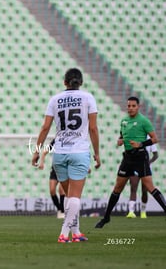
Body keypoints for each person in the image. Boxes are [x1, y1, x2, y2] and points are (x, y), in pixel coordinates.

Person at [32, 68, 100, 243]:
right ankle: (64, 234)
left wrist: (37, 151)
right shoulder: (88, 98)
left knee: (69, 196)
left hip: (59, 153)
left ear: (65, 82)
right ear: (81, 82)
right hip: (79, 151)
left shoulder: (55, 99)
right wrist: (97, 153)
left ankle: (76, 232)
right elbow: (93, 128)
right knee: (75, 196)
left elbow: (45, 128)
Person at [95, 97, 166, 228]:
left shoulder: (143, 121)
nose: (131, 108)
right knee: (117, 188)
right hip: (127, 158)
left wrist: (140, 144)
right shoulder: (124, 120)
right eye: (129, 106)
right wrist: (119, 141)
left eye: (133, 106)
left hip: (140, 157)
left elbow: (155, 139)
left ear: (138, 107)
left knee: (150, 187)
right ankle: (106, 218)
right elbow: (122, 136)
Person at [126, 135, 158, 219]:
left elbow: (156, 155)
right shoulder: (134, 136)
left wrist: (148, 162)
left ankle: (143, 211)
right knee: (133, 188)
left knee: (144, 190)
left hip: (145, 168)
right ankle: (131, 212)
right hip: (134, 167)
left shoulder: (149, 139)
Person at [38, 138, 66, 219]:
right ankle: (60, 209)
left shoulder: (70, 140)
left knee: (61, 190)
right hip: (55, 169)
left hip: (65, 168)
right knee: (52, 190)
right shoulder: (56, 141)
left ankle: (63, 211)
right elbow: (44, 152)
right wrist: (42, 163)